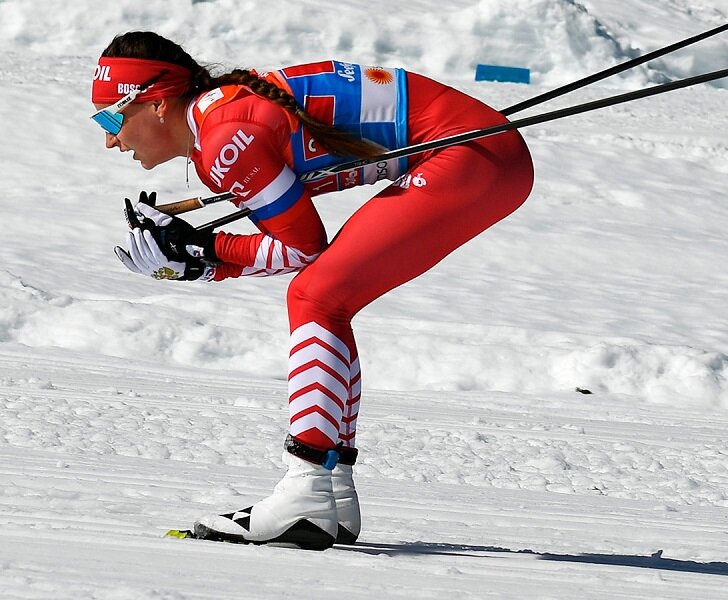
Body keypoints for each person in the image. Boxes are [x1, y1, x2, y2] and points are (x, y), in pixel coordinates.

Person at [91, 31, 534, 550]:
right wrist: (204, 256)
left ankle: (306, 488)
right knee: (325, 297)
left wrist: (203, 255)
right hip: (480, 150)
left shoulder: (224, 139)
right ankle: (331, 491)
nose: (110, 140)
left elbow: (301, 249)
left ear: (158, 105)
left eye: (111, 119)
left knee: (316, 296)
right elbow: (296, 248)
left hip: (471, 155)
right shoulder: (220, 121)